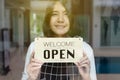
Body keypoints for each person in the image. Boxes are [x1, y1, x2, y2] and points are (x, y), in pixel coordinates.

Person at [21, 1, 97, 80]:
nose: (60, 19)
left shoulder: (85, 50)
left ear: (71, 19)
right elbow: (25, 77)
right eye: (55, 14)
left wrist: (86, 77)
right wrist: (31, 77)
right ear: (48, 19)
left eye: (66, 14)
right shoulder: (35, 48)